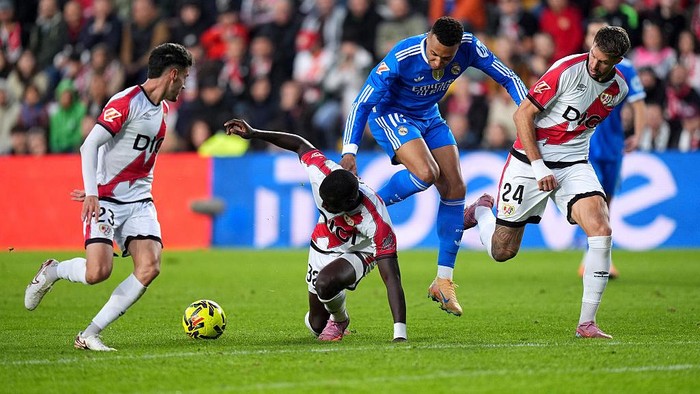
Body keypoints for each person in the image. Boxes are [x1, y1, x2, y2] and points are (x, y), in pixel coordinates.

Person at [340, 16, 527, 316]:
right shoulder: (403, 55)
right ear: (428, 37)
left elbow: (508, 77)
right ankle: (366, 204)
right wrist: (350, 150)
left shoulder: (470, 48)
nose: (438, 63)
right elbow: (362, 102)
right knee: (427, 174)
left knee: (455, 187)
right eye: (434, 54)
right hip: (391, 115)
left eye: (446, 58)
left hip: (428, 116)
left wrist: (527, 107)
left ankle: (443, 280)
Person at [463, 26, 631, 339]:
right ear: (590, 47)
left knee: (601, 226)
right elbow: (522, 116)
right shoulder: (565, 71)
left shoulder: (618, 89)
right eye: (593, 56)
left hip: (573, 165)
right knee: (502, 251)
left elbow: (579, 128)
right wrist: (539, 167)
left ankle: (587, 323)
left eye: (603, 62)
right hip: (529, 163)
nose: (594, 65)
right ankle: (484, 212)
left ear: (617, 61)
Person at [24, 43, 193, 351]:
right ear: (172, 74)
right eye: (184, 77)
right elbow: (89, 146)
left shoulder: (163, 110)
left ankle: (89, 334)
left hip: (140, 201)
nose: (184, 85)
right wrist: (92, 193)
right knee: (97, 273)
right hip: (106, 200)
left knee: (150, 267)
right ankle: (53, 270)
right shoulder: (126, 102)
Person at [224, 118, 407, 342]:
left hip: (363, 248)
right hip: (325, 240)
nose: (324, 205)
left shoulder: (376, 221)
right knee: (316, 325)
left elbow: (392, 279)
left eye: (329, 204)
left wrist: (400, 335)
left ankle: (339, 320)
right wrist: (254, 133)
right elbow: (300, 144)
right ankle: (332, 315)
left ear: (348, 204)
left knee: (325, 282)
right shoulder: (322, 171)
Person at [578, 19, 647, 279]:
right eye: (592, 33)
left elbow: (639, 103)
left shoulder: (625, 69)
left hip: (612, 144)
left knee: (606, 202)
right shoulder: (576, 66)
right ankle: (594, 260)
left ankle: (592, 258)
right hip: (585, 144)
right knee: (593, 202)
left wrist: (638, 134)